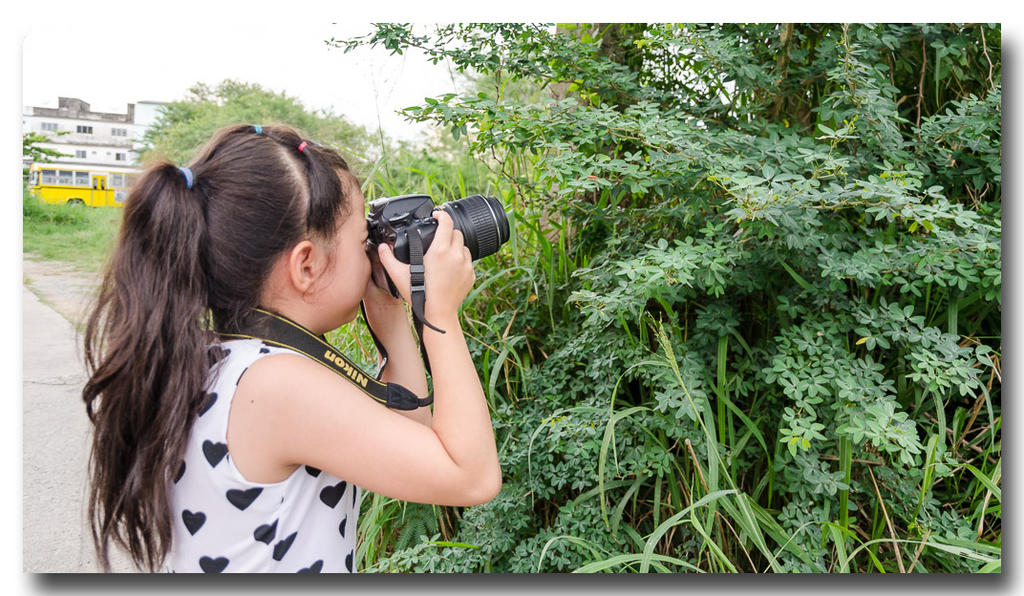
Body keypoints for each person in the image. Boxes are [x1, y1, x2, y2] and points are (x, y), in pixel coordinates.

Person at [81, 124, 501, 573]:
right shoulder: (277, 385)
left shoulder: (223, 362)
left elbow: (414, 437)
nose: (373, 252)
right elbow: (471, 477)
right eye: (363, 240)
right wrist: (441, 312)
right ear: (306, 266)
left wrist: (389, 311)